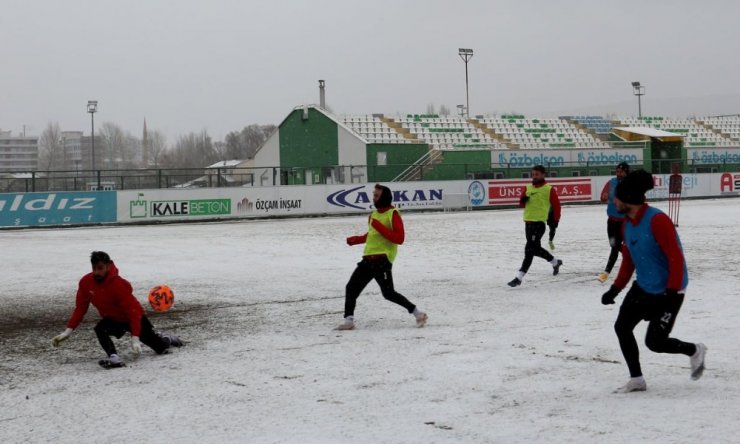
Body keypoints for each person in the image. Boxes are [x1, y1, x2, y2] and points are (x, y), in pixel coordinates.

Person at [600, 170, 706, 393]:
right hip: (643, 287)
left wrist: (671, 292)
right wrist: (615, 289)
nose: (614, 201)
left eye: (616, 198)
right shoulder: (626, 224)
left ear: (627, 198)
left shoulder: (657, 220)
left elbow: (675, 258)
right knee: (622, 327)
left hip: (669, 291)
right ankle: (636, 379)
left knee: (655, 343)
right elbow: (629, 261)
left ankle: (695, 350)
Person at [51, 251, 183, 368]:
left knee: (161, 349)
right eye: (94, 268)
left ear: (108, 266)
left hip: (134, 318)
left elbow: (134, 312)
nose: (96, 272)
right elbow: (80, 309)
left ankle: (166, 338)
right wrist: (67, 332)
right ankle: (113, 357)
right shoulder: (85, 283)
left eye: (100, 268)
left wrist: (135, 338)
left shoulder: (119, 285)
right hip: (114, 319)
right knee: (100, 328)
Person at [336, 184, 428, 330]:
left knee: (388, 293)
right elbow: (372, 235)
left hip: (382, 261)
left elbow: (399, 238)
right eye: (373, 195)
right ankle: (349, 321)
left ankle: (418, 313)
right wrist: (356, 239)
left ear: (384, 197)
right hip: (368, 259)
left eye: (376, 195)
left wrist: (380, 226)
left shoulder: (393, 214)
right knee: (351, 288)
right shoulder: (373, 215)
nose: (373, 198)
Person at [508, 165, 563, 287]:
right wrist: (522, 200)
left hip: (539, 224)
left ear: (543, 175)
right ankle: (555, 262)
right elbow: (522, 205)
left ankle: (519, 277)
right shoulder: (527, 188)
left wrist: (556, 221)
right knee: (535, 249)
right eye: (533, 174)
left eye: (537, 174)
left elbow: (557, 206)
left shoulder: (549, 189)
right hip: (528, 224)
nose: (534, 177)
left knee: (529, 250)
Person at [597, 162, 630, 283]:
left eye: (621, 171)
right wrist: (604, 197)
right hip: (612, 221)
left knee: (615, 247)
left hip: (625, 222)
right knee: (614, 245)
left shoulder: (631, 184)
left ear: (626, 172)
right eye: (617, 171)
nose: (618, 173)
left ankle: (606, 272)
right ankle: (633, 257)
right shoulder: (611, 183)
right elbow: (602, 198)